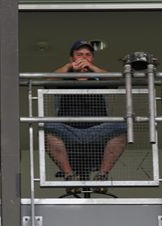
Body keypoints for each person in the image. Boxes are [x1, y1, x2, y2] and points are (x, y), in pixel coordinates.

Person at [44, 40, 126, 194]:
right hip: (68, 130)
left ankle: (101, 176)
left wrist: (92, 68)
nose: (83, 57)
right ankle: (70, 178)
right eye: (79, 55)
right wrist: (69, 67)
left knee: (121, 126)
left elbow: (116, 80)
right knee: (47, 126)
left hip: (98, 130)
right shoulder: (64, 77)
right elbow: (47, 81)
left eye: (88, 55)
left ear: (92, 58)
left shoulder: (98, 77)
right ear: (71, 58)